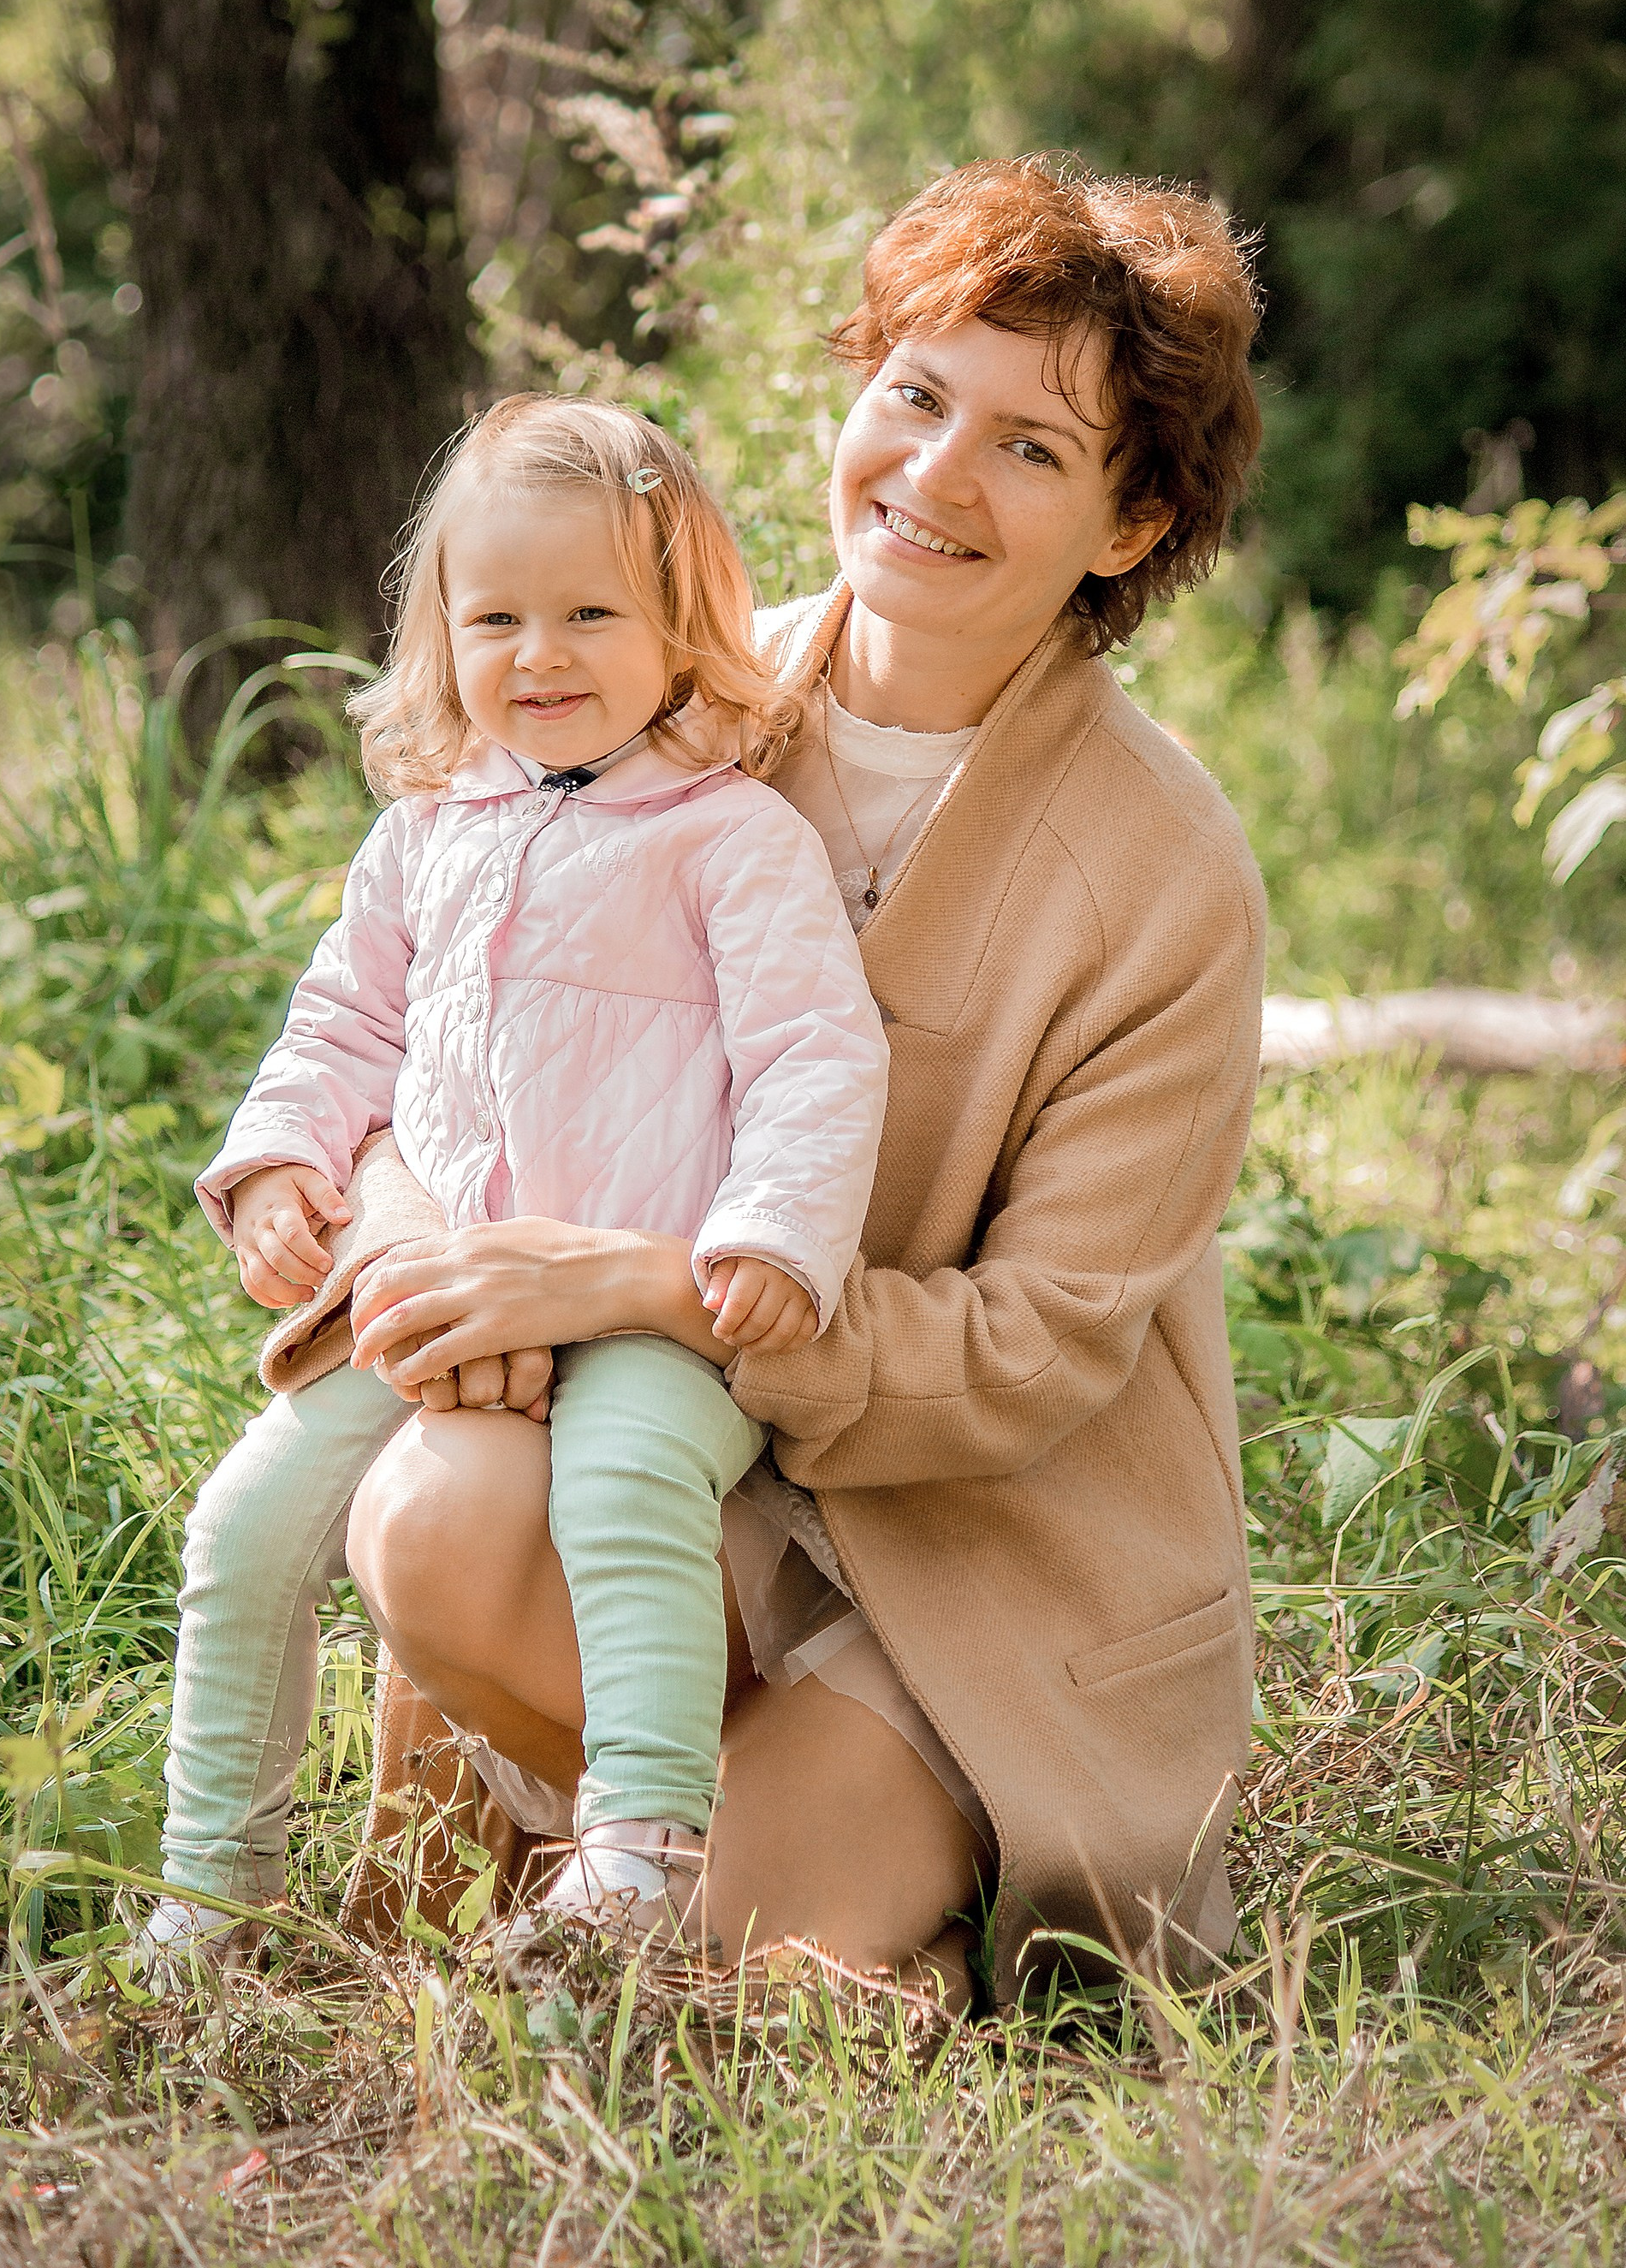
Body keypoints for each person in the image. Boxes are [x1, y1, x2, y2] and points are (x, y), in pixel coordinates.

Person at [341, 156, 1270, 2011]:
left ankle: (855, 1871)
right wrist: (418, 1248)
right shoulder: (664, 694)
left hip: (983, 1554)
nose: (931, 478)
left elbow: (1041, 1348)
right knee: (430, 1514)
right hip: (677, 1479)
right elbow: (415, 1017)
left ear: (1126, 522)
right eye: (915, 396)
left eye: (1029, 448)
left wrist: (639, 1284)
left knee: (715, 1981)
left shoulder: (1166, 875)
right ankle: (677, 1810)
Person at [148, 397, 888, 1968]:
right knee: (246, 1524)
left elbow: (816, 1059)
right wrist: (284, 1158)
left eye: (590, 613)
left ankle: (637, 1854)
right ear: (441, 634)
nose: (539, 654)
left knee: (625, 1495)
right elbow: (346, 1018)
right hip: (441, 1289)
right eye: (496, 618)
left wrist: (768, 1239)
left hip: (650, 1302)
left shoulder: (729, 839)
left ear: (684, 624)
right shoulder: (431, 831)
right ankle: (213, 1891)